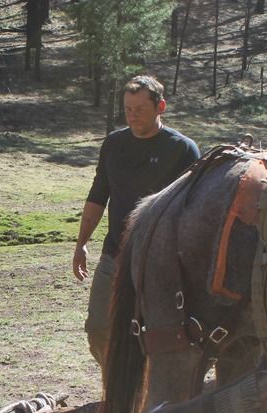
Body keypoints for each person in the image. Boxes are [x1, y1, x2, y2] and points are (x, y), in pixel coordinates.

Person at [72, 75, 201, 368]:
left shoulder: (182, 150)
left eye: (140, 109)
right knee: (98, 329)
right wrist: (81, 244)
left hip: (162, 260)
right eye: (128, 109)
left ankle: (150, 390)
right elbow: (97, 196)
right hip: (115, 255)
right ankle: (116, 385)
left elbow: (195, 210)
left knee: (159, 334)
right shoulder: (114, 144)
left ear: (161, 107)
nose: (133, 116)